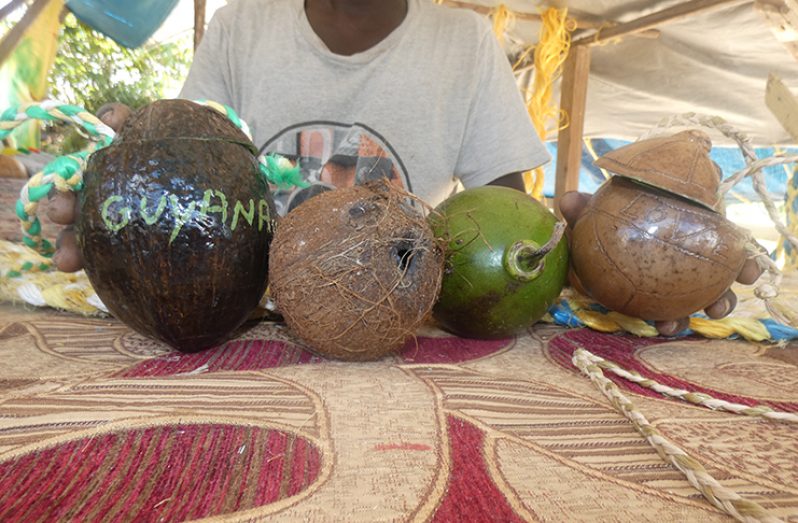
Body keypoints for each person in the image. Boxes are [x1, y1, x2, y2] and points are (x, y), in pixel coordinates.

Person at [46, 0, 759, 335]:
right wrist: (122, 195)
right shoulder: (240, 27)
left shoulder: (466, 43)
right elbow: (181, 163)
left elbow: (500, 226)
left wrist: (605, 262)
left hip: (397, 328)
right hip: (248, 319)